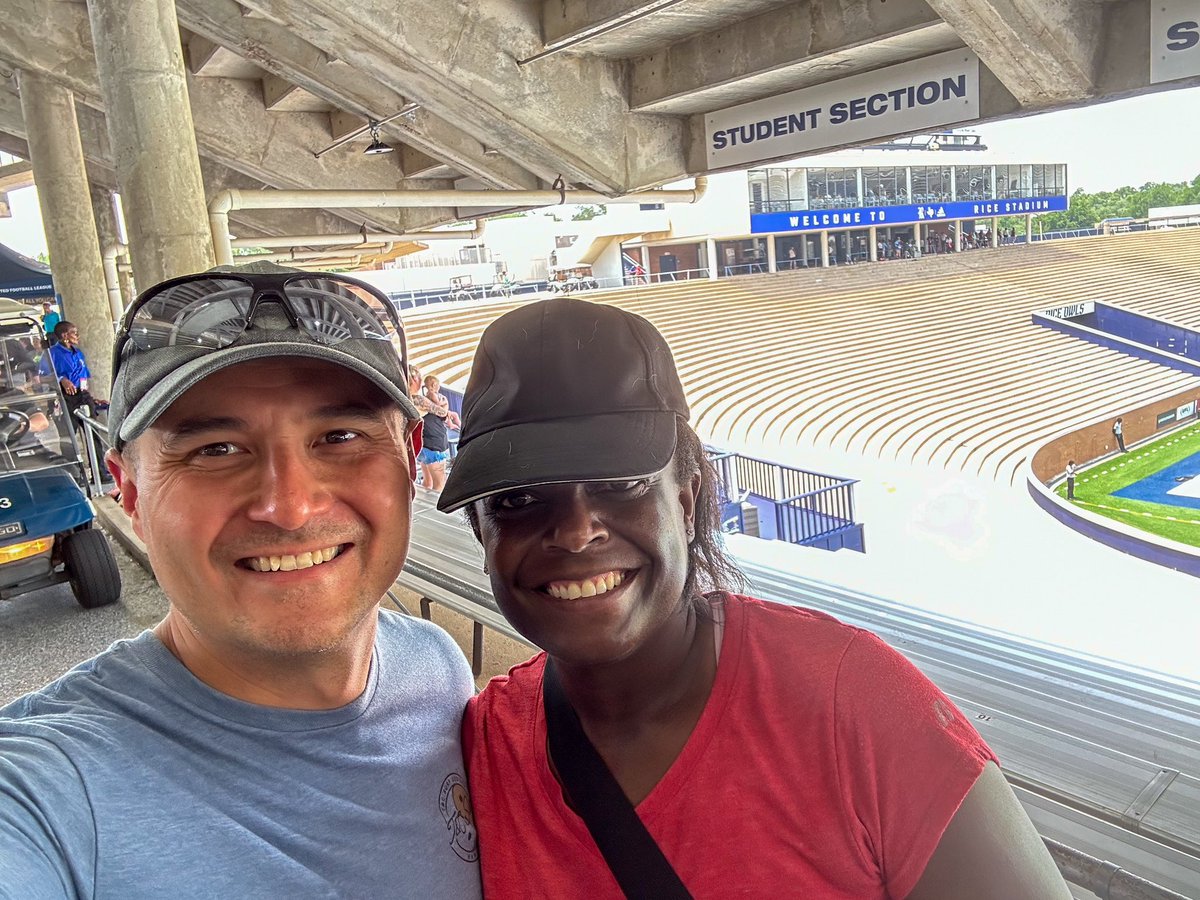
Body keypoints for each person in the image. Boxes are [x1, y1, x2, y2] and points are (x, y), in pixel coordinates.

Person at [437, 296, 1071, 899]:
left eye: (621, 483)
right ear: (483, 533)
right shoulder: (484, 750)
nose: (577, 531)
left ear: (684, 503)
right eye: (518, 500)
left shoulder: (850, 700)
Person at [0, 263, 482, 899]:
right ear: (131, 491)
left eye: (340, 436)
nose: (290, 506)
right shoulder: (44, 792)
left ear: (410, 456)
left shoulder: (437, 666)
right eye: (216, 450)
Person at [37, 320, 108, 422]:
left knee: (93, 431)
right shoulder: (51, 353)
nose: (77, 336)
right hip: (64, 398)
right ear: (65, 335)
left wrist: (88, 396)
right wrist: (61, 379)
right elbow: (42, 378)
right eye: (74, 333)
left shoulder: (78, 353)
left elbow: (83, 376)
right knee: (69, 430)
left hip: (83, 396)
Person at [417, 372, 456, 491]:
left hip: (425, 443)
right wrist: (446, 404)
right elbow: (442, 412)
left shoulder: (416, 398)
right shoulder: (420, 399)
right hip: (434, 444)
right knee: (439, 483)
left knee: (427, 481)